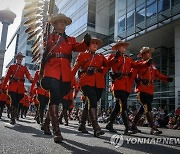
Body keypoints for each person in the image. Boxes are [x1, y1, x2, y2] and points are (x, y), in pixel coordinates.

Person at [40, 13, 91, 143]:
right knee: (55, 97)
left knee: (56, 98)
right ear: (55, 24)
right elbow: (43, 49)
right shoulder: (48, 37)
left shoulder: (71, 40)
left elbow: (79, 47)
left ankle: (46, 124)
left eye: (64, 22)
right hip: (52, 71)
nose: (63, 24)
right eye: (60, 22)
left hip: (65, 73)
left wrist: (86, 42)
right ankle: (56, 131)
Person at [106, 41, 152, 135]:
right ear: (117, 48)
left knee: (117, 107)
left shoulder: (128, 59)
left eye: (124, 46)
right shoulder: (112, 56)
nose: (124, 48)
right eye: (121, 46)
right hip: (118, 85)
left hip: (126, 86)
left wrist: (146, 63)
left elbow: (136, 65)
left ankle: (109, 124)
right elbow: (108, 64)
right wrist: (115, 57)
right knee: (124, 106)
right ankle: (127, 128)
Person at [131, 47, 173, 135]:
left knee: (142, 110)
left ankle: (133, 125)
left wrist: (167, 78)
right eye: (147, 52)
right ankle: (153, 128)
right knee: (147, 107)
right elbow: (133, 74)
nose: (149, 54)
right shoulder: (139, 63)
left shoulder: (152, 65)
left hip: (150, 90)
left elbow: (158, 75)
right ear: (142, 55)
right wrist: (137, 80)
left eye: (149, 52)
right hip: (141, 90)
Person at [72, 37, 108, 137]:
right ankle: (96, 127)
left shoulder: (100, 56)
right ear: (88, 45)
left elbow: (108, 65)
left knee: (90, 103)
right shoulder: (82, 55)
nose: (95, 45)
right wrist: (67, 80)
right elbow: (75, 69)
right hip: (86, 81)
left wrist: (115, 58)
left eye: (96, 43)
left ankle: (82, 124)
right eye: (93, 43)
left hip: (99, 82)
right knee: (92, 101)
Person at [2, 52, 33, 125]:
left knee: (17, 102)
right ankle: (13, 118)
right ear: (16, 58)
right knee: (13, 101)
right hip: (12, 87)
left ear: (22, 59)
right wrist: (3, 86)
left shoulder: (24, 68)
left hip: (20, 88)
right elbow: (7, 77)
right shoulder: (12, 66)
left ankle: (14, 114)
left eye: (21, 58)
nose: (20, 59)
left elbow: (28, 75)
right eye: (19, 57)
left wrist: (31, 79)